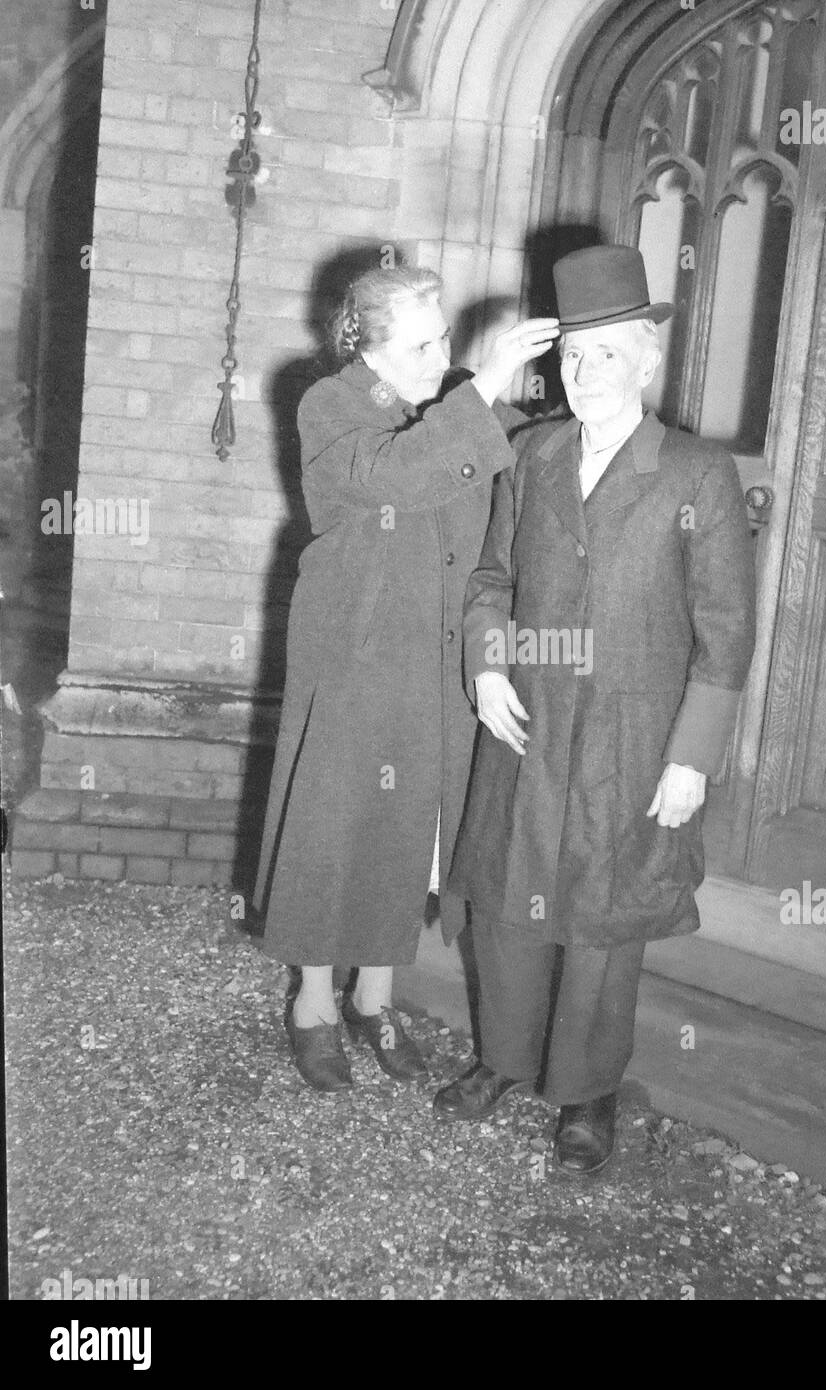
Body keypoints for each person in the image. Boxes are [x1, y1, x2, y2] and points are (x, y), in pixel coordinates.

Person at [434, 245, 756, 1173]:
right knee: (505, 903)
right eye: (572, 357)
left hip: (632, 736)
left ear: (647, 362)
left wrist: (691, 757)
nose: (585, 375)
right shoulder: (529, 456)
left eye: (607, 355)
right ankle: (502, 1056)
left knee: (605, 919)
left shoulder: (696, 474)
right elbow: (491, 579)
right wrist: (487, 669)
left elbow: (725, 631)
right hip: (527, 721)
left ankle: (584, 1092)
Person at [254, 264, 558, 1091]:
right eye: (420, 344)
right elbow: (394, 474)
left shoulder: (463, 402)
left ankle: (373, 999)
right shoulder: (332, 404)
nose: (440, 355)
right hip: (356, 651)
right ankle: (313, 1004)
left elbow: (542, 461)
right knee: (337, 822)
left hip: (440, 651)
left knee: (417, 830)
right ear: (369, 346)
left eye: (445, 340)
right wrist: (486, 383)